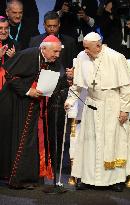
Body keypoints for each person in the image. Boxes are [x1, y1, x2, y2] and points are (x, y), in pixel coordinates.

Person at [64, 32, 130, 192]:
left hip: (112, 104)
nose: (85, 51)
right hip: (92, 104)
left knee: (112, 142)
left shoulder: (116, 57)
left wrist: (125, 109)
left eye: (88, 48)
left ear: (98, 45)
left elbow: (126, 87)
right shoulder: (82, 56)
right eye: (84, 48)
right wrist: (70, 100)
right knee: (90, 142)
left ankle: (116, 180)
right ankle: (88, 179)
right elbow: (77, 84)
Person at [0, 35, 69, 189]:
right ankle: (19, 179)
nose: (57, 55)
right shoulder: (29, 55)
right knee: (21, 140)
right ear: (43, 49)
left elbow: (58, 77)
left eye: (59, 52)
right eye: (55, 52)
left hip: (34, 104)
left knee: (31, 141)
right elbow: (9, 74)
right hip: (15, 102)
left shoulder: (51, 59)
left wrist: (68, 78)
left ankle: (30, 177)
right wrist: (27, 90)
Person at [29, 11, 76, 169]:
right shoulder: (35, 40)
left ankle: (55, 164)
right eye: (49, 26)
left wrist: (72, 74)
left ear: (59, 25)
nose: (52, 29)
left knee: (58, 128)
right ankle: (39, 161)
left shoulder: (69, 42)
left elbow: (72, 63)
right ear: (44, 25)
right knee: (39, 128)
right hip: (40, 90)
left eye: (55, 26)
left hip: (60, 91)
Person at [0, 16, 19, 90]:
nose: (4, 31)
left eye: (6, 28)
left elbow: (21, 70)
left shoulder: (16, 44)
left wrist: (15, 58)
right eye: (0, 28)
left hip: (9, 88)